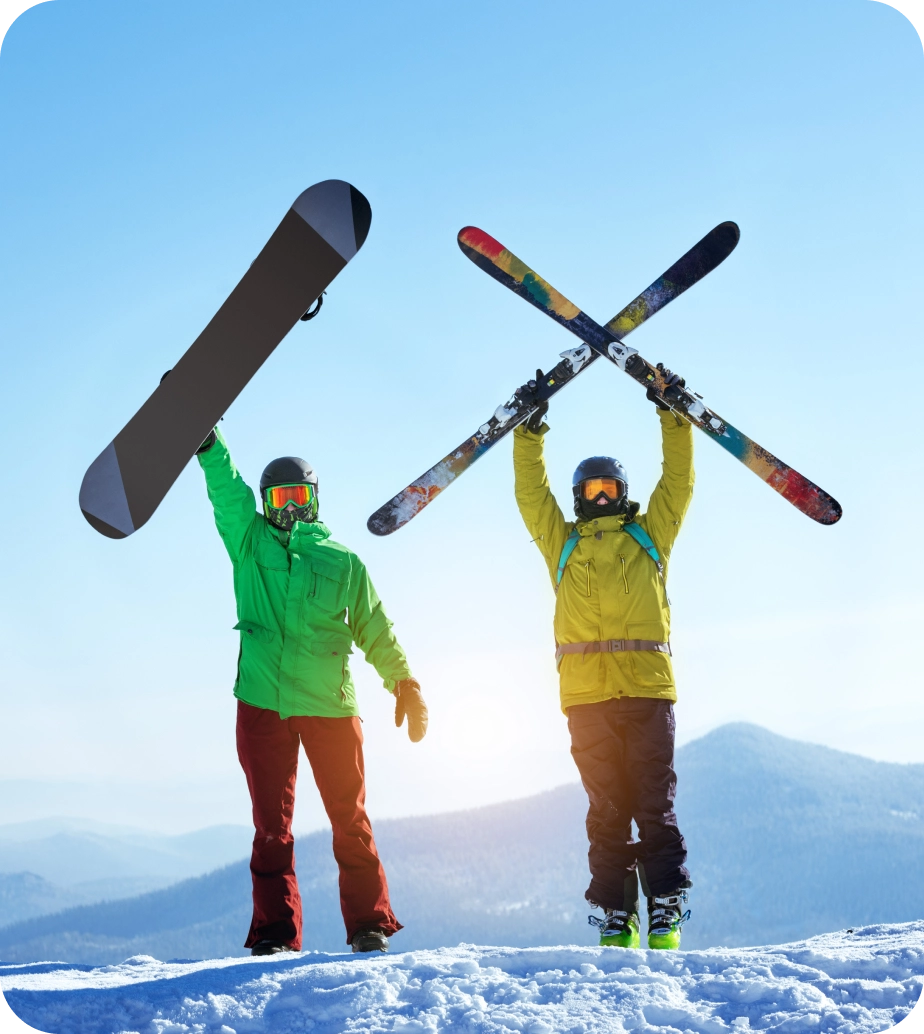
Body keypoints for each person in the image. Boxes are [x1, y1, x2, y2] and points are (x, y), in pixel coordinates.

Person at [196, 427, 428, 955]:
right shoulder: (248, 542)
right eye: (280, 498)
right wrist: (209, 444)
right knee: (270, 829)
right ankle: (276, 934)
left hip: (330, 705)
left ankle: (369, 925)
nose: (290, 509)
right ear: (266, 503)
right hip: (263, 704)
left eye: (299, 497)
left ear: (315, 498)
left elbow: (375, 628)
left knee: (351, 821)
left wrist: (404, 683)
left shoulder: (343, 562)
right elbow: (226, 490)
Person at [512, 368, 694, 950]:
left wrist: (672, 415)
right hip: (587, 699)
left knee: (653, 806)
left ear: (622, 492)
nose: (599, 498)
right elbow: (528, 494)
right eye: (590, 491)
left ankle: (664, 907)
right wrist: (529, 432)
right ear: (577, 499)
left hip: (646, 693)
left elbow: (680, 481)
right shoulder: (560, 543)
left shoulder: (650, 537)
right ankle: (619, 914)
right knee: (607, 811)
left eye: (608, 490)